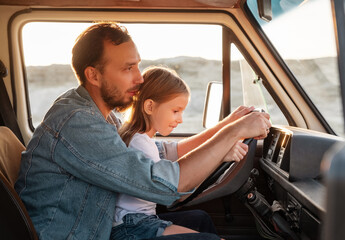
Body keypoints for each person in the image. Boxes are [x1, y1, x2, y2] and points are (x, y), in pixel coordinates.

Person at [14, 22, 271, 240]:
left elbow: (163, 151)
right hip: (76, 234)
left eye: (137, 65)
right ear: (93, 75)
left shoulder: (102, 115)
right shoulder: (78, 122)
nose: (139, 78)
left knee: (200, 221)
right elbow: (165, 185)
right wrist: (236, 130)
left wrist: (225, 126)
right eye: (128, 68)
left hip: (98, 228)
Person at [111, 66, 249, 240]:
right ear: (150, 106)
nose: (180, 119)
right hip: (132, 227)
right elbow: (173, 194)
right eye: (175, 111)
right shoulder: (139, 144)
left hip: (139, 221)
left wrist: (226, 127)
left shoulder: (143, 139)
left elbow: (178, 151)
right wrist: (220, 156)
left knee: (200, 218)